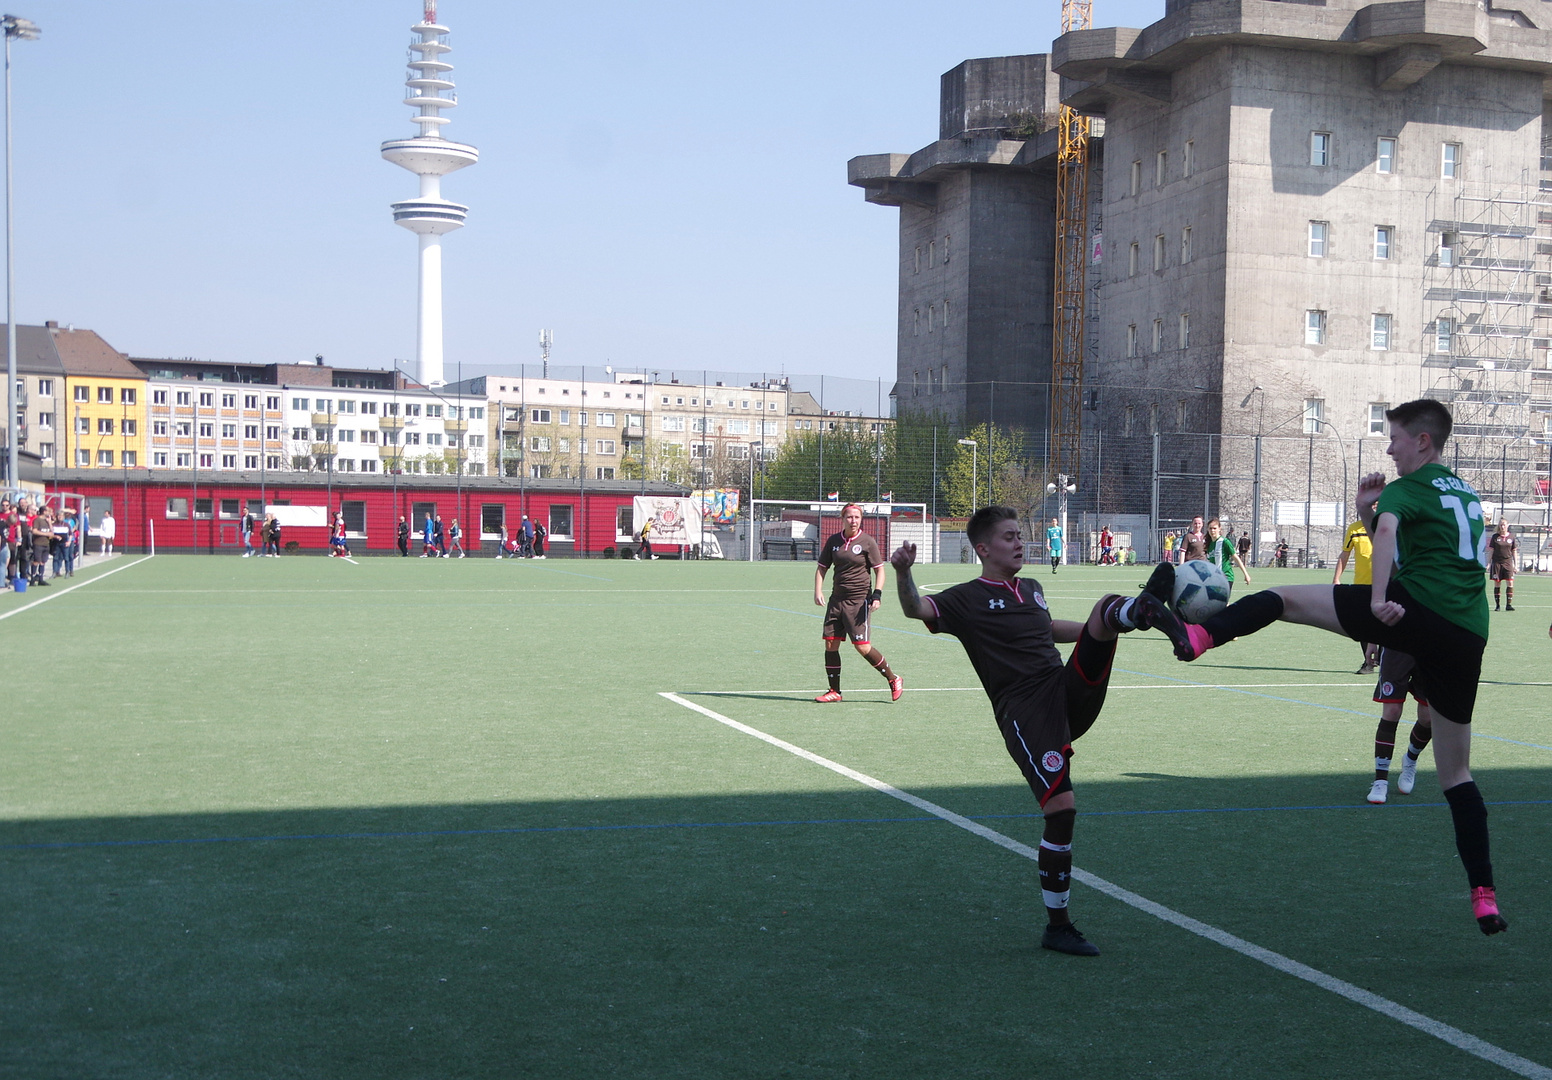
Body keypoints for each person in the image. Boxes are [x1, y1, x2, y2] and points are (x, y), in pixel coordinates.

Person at [1171, 399, 1507, 935]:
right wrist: (1367, 510)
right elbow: (1412, 545)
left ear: (1423, 441)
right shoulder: (1463, 491)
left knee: (1282, 598)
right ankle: (1483, 893)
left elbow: (1390, 542)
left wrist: (1377, 598)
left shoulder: (1406, 488)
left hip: (1412, 611)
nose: (1390, 448)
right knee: (1456, 774)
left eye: (1395, 437)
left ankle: (1199, 634)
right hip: (1468, 633)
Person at [891, 506, 1191, 956]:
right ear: (984, 549)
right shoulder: (967, 598)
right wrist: (902, 572)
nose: (1019, 542)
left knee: (1105, 610)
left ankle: (1138, 610)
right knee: (1062, 810)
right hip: (1026, 712)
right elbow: (916, 608)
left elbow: (1048, 630)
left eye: (1019, 535)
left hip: (1064, 691)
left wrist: (1100, 632)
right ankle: (1058, 926)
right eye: (1009, 536)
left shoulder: (1031, 588)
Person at [813, 503, 903, 703]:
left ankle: (893, 678)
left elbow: (880, 570)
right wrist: (818, 590)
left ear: (861, 519)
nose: (853, 521)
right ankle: (834, 691)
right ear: (843, 518)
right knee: (830, 644)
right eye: (849, 517)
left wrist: (877, 595)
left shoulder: (867, 542)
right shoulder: (834, 541)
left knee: (862, 646)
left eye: (857, 517)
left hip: (858, 601)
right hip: (836, 600)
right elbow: (822, 567)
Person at [1366, 648, 1434, 805]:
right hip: (1395, 644)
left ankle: (1410, 758)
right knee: (1392, 711)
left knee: (1429, 718)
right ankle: (1380, 782)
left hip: (1430, 645)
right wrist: (1371, 642)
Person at [1334, 519, 1379, 674]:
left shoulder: (1391, 524)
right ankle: (1369, 663)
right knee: (1362, 625)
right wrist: (1336, 579)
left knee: (1388, 624)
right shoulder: (1354, 529)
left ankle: (1388, 663)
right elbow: (1345, 554)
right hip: (1362, 585)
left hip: (1387, 583)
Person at [1204, 518, 1252, 587]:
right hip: (1214, 578)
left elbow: (1236, 558)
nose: (1212, 530)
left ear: (1219, 529)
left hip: (1226, 577)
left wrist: (1246, 574)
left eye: (1214, 528)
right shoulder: (1209, 544)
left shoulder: (1224, 541)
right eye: (1210, 528)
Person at [1489, 519, 1517, 611]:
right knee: (1497, 583)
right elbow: (1491, 551)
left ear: (1507, 525)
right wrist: (1488, 563)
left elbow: (1514, 551)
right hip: (1497, 562)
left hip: (1508, 562)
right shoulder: (1495, 537)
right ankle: (1497, 605)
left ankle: (1508, 605)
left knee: (1510, 582)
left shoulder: (1511, 537)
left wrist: (1515, 565)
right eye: (1501, 525)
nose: (1502, 526)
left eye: (1504, 525)